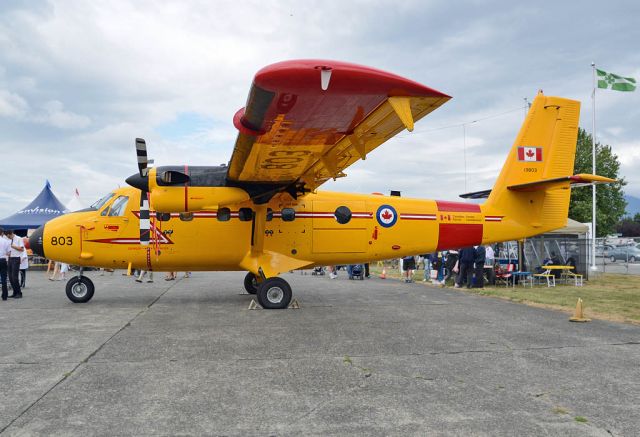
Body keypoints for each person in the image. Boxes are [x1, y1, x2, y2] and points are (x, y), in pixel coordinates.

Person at [5, 229, 24, 298]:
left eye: (8, 236)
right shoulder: (9, 240)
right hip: (10, 258)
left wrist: (13, 246)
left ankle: (19, 293)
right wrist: (8, 252)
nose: (8, 238)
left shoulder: (19, 239)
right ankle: (15, 292)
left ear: (11, 234)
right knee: (10, 277)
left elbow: (22, 249)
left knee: (14, 277)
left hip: (16, 258)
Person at [0, 228, 10, 301]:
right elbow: (9, 253)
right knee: (4, 278)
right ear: (2, 233)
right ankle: (4, 296)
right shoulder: (5, 241)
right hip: (3, 260)